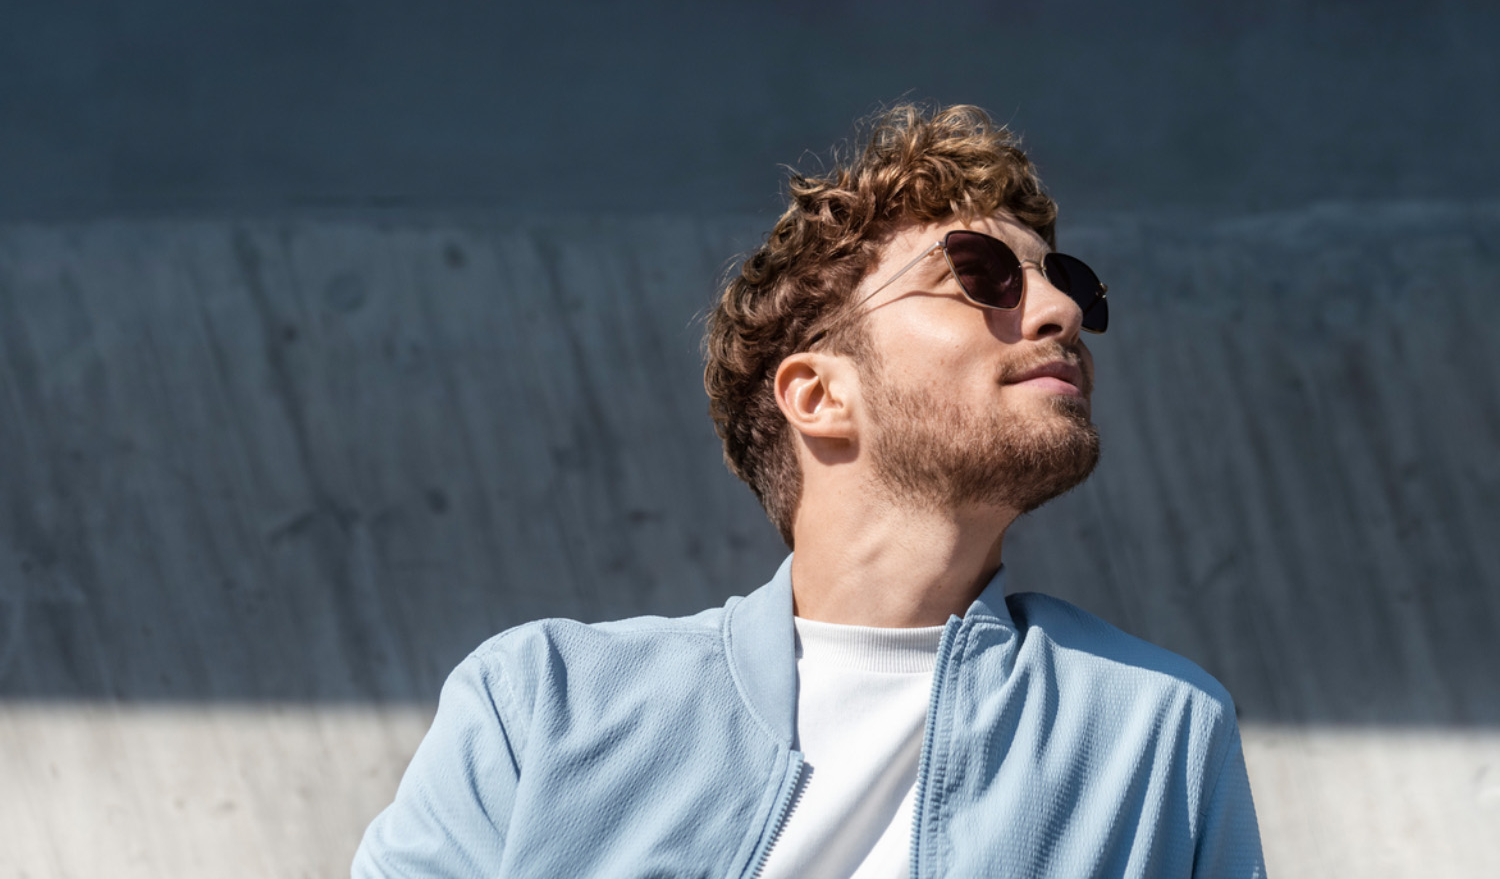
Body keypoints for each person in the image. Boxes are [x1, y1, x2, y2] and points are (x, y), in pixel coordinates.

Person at [353, 102, 1266, 878]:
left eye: (1064, 284)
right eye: (976, 275)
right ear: (819, 394)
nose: (1059, 311)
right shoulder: (544, 709)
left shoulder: (1157, 734)